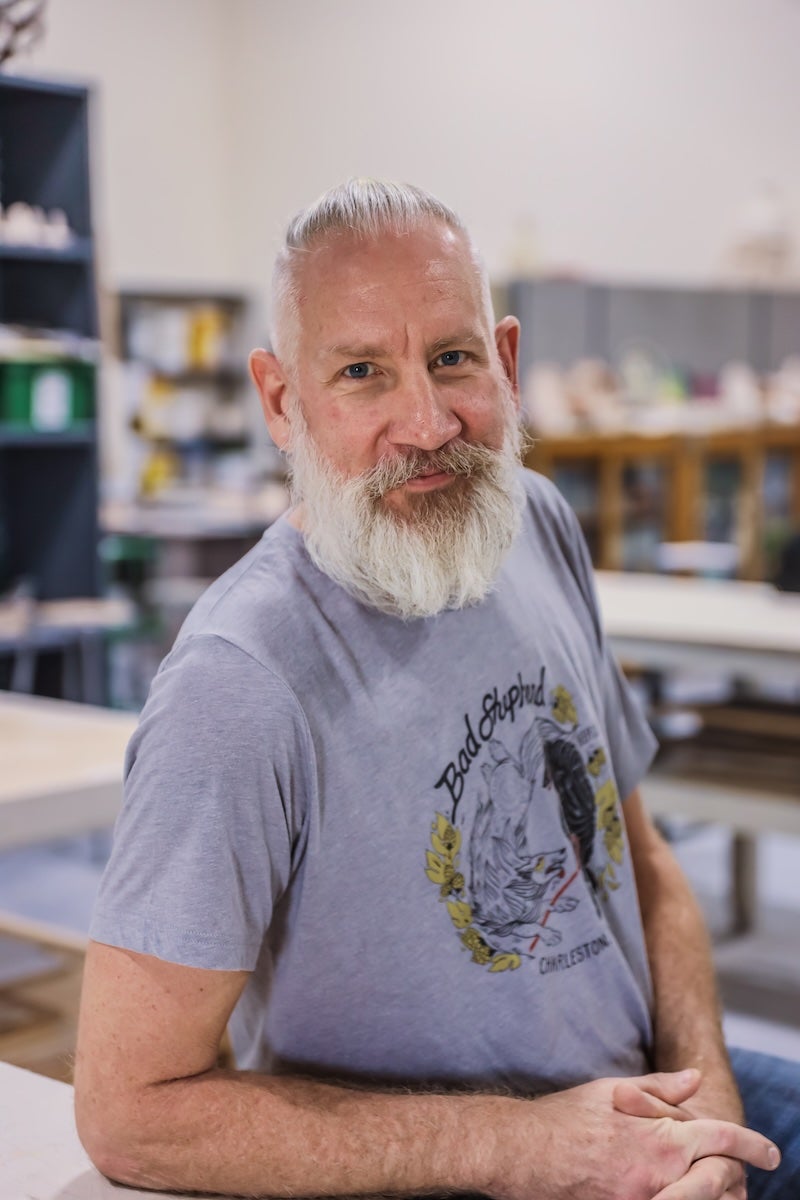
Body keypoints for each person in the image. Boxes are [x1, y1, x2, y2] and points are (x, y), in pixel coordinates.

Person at [75, 180, 794, 1200]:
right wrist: (524, 1148)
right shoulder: (237, 681)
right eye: (362, 372)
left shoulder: (535, 524)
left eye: (450, 359)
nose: (423, 422)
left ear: (503, 363)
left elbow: (640, 863)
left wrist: (708, 1119)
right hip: (452, 1167)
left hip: (648, 1110)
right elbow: (129, 1115)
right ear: (281, 401)